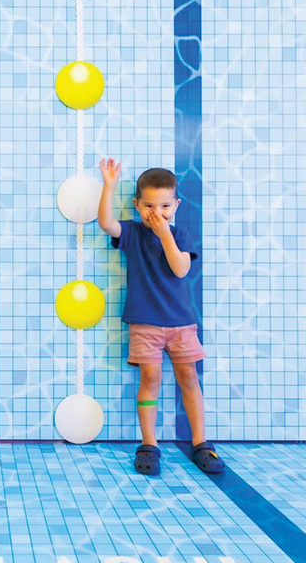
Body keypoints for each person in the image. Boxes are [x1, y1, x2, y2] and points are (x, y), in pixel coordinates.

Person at [97, 159, 225, 476]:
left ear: (176, 205)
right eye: (149, 206)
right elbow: (106, 224)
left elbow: (180, 269)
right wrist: (109, 186)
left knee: (189, 378)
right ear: (137, 205)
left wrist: (165, 234)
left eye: (165, 206)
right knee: (150, 380)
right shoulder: (132, 233)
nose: (158, 212)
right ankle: (149, 443)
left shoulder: (179, 236)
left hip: (181, 324)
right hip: (145, 324)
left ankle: (201, 443)